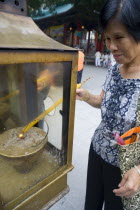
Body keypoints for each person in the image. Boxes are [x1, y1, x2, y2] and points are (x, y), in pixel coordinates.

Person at [76, 0, 140, 209]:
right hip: (97, 152)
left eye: (119, 37)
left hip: (126, 168)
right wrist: (86, 96)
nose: (111, 47)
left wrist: (139, 171)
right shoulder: (114, 68)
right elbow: (103, 101)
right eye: (108, 38)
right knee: (91, 204)